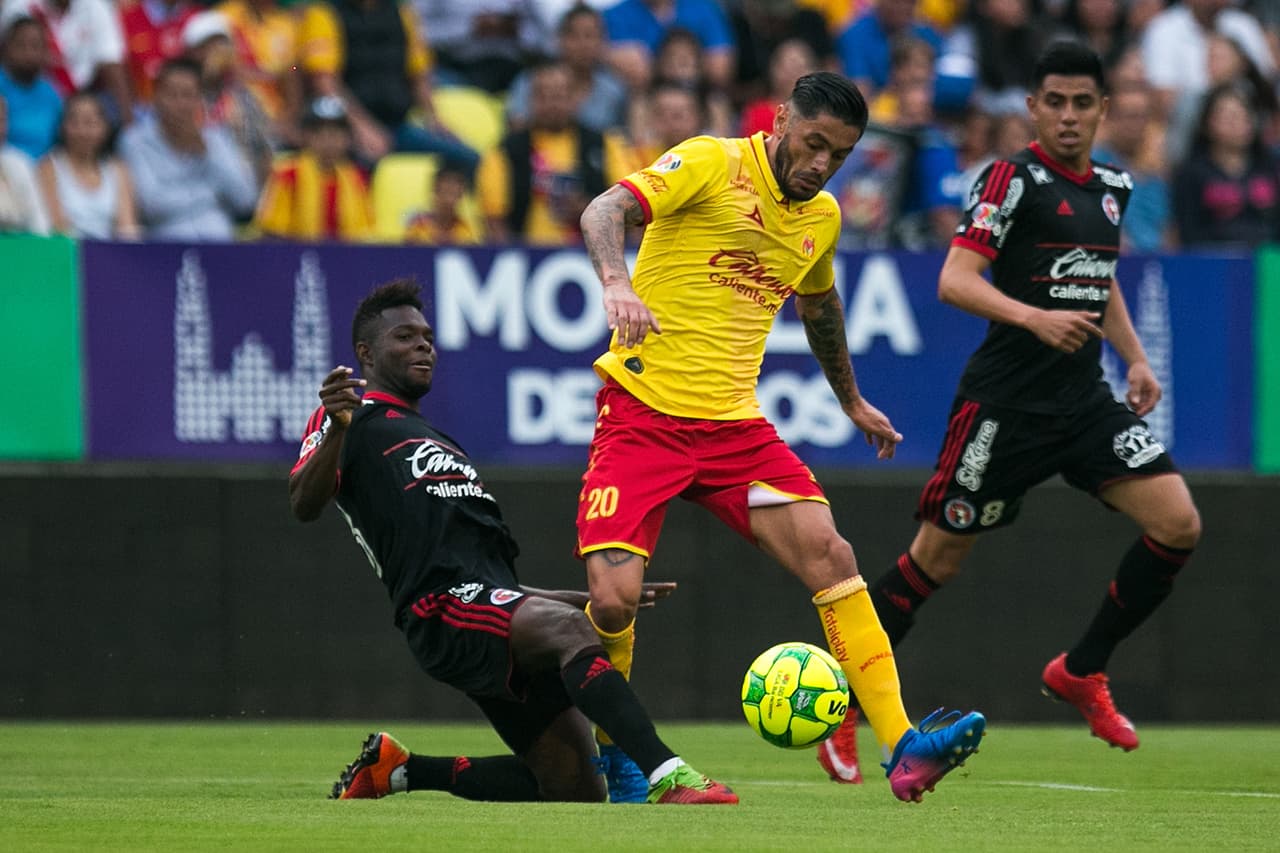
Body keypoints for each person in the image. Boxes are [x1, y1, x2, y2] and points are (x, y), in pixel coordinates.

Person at [575, 69, 986, 805]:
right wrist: (616, 280)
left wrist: (853, 401)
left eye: (840, 153)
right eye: (814, 142)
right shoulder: (710, 160)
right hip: (642, 413)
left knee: (833, 553)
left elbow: (820, 309)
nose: (822, 162)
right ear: (780, 125)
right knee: (611, 601)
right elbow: (604, 209)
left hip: (735, 428)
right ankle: (618, 755)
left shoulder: (821, 217)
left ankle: (904, 746)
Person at [822, 41, 1201, 782]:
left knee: (1179, 523)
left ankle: (1080, 670)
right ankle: (842, 707)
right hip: (1004, 404)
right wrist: (1033, 318)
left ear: (1101, 109)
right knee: (935, 561)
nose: (1066, 116)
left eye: (1080, 103)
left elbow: (1101, 278)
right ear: (1032, 107)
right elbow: (955, 279)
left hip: (1082, 400)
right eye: (1052, 102)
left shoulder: (1114, 185)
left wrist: (1136, 358)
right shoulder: (1010, 178)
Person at [289, 278, 737, 806]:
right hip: (439, 610)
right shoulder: (352, 419)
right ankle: (669, 775)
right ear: (365, 353)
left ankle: (399, 770)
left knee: (574, 789)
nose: (423, 346)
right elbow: (303, 501)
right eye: (405, 337)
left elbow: (489, 583)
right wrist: (338, 428)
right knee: (571, 632)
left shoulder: (433, 437)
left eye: (428, 337)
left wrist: (581, 599)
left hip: (479, 604)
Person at [120, 57, 257, 241]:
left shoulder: (215, 138)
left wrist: (207, 153)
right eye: (172, 95)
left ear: (199, 99)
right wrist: (212, 198)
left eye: (187, 95)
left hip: (220, 247)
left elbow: (246, 200)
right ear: (156, 97)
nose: (180, 104)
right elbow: (151, 206)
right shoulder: (135, 141)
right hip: (164, 249)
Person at [1172, 81, 1280, 248]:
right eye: (1227, 117)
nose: (1235, 124)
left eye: (1242, 116)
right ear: (1207, 123)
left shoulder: (1271, 167)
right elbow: (1187, 232)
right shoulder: (1190, 173)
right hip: (1211, 264)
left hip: (1269, 263)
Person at [253, 95, 373, 242]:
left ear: (348, 139)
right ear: (305, 136)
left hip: (345, 259)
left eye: (336, 134)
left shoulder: (356, 178)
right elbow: (272, 231)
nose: (328, 142)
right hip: (295, 257)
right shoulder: (289, 174)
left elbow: (364, 233)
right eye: (319, 134)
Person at [37, 90, 141, 238]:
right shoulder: (48, 167)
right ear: (62, 127)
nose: (82, 131)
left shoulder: (118, 170)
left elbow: (127, 227)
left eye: (90, 123)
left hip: (111, 254)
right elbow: (57, 226)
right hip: (68, 253)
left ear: (106, 128)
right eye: (74, 122)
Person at [403, 157, 482, 244]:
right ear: (435, 188)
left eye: (456, 185)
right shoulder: (418, 227)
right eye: (447, 185)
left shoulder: (466, 229)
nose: (452, 188)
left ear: (461, 194)